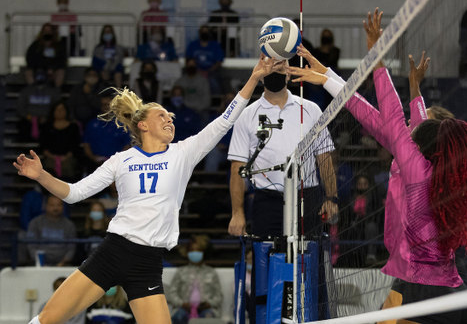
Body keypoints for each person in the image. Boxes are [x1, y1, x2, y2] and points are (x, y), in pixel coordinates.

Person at [16, 53, 283, 324]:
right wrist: (41, 175)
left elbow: (225, 120)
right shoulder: (121, 159)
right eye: (162, 115)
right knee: (47, 319)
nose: (170, 120)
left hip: (148, 263)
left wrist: (254, 78)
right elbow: (74, 194)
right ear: (142, 125)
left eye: (171, 117)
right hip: (113, 251)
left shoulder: (183, 153)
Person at [288, 8, 467, 324]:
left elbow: (395, 118)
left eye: (420, 126)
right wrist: (328, 77)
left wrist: (377, 55)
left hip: (419, 288)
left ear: (427, 144)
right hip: (448, 289)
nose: (415, 126)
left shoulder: (416, 169)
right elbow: (377, 117)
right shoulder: (437, 171)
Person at [228, 59, 338, 238]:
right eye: (270, 69)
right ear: (261, 75)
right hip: (267, 202)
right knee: (265, 260)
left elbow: (324, 158)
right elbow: (237, 168)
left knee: (308, 260)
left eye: (279, 69)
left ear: (288, 73)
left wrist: (331, 198)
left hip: (307, 199)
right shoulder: (247, 115)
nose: (275, 73)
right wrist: (237, 213)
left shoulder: (311, 109)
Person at [167, 236, 223, 324]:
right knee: (179, 316)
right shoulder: (181, 272)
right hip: (183, 308)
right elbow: (172, 293)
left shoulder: (211, 272)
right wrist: (182, 303)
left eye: (198, 250)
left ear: (203, 252)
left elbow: (219, 296)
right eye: (192, 250)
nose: (195, 253)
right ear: (187, 252)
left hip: (206, 309)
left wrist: (209, 304)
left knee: (208, 317)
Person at [82, 96, 131, 174]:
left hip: (117, 166)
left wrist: (116, 161)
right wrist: (93, 158)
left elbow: (127, 145)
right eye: (103, 105)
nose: (106, 107)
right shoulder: (91, 124)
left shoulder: (122, 125)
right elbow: (86, 145)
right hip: (95, 164)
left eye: (108, 105)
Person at [26, 195, 76, 266]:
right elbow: (31, 247)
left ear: (63, 207)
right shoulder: (35, 223)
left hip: (63, 265)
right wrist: (41, 263)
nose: (56, 208)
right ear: (46, 206)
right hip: (39, 265)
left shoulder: (69, 225)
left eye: (59, 205)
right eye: (52, 205)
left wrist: (62, 263)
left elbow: (71, 248)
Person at [39, 101, 81, 181]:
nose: (59, 112)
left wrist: (66, 157)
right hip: (50, 157)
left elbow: (76, 144)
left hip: (68, 158)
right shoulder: (47, 126)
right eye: (57, 110)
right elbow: (43, 144)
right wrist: (51, 156)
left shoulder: (73, 127)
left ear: (66, 111)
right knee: (48, 168)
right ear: (53, 112)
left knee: (67, 167)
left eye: (62, 110)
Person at [17, 69, 61, 142]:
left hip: (48, 120)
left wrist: (48, 117)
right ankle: (26, 149)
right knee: (23, 126)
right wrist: (28, 117)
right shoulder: (26, 91)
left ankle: (45, 150)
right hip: (29, 119)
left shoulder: (53, 92)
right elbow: (20, 108)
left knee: (52, 128)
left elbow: (58, 107)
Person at [186, 25, 225, 95]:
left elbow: (218, 61)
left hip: (211, 71)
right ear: (200, 33)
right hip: (195, 71)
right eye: (203, 31)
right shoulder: (193, 45)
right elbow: (189, 60)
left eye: (206, 32)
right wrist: (197, 71)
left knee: (213, 81)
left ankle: (216, 101)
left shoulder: (215, 45)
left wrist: (208, 71)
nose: (204, 33)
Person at [25, 23, 67, 88]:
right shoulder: (36, 45)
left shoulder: (58, 46)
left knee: (61, 72)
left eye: (49, 31)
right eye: (45, 31)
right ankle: (32, 89)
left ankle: (55, 90)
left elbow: (61, 60)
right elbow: (30, 58)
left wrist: (52, 68)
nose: (47, 33)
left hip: (54, 70)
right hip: (38, 68)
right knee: (28, 72)